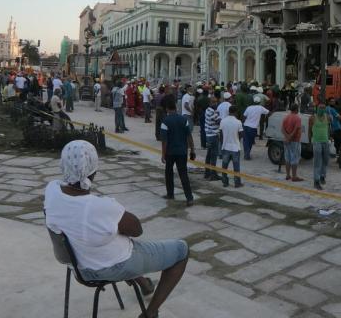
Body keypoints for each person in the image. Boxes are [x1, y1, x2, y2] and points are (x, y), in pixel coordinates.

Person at [44, 140, 189, 318]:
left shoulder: (51, 190)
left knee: (112, 241)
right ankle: (150, 313)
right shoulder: (101, 208)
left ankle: (143, 284)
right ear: (93, 170)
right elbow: (137, 230)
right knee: (181, 251)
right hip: (112, 266)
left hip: (78, 266)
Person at [160, 98, 195, 206]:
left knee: (169, 173)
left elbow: (164, 141)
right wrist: (192, 150)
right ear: (175, 107)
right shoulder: (183, 120)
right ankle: (189, 198)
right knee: (183, 174)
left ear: (167, 109)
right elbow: (189, 136)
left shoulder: (165, 121)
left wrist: (163, 154)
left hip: (170, 152)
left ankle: (170, 194)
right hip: (182, 152)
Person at [218, 103, 243, 188]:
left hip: (225, 147)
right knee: (236, 167)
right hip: (235, 148)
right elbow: (240, 134)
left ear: (229, 112)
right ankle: (237, 183)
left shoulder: (223, 121)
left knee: (224, 166)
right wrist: (236, 141)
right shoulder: (238, 122)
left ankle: (225, 182)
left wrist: (223, 143)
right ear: (235, 112)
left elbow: (220, 135)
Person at [309, 101, 332, 190]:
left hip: (325, 141)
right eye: (320, 108)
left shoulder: (327, 117)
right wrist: (310, 140)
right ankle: (316, 181)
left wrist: (329, 137)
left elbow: (328, 129)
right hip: (317, 141)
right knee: (317, 162)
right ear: (317, 109)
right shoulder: (313, 118)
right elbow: (309, 130)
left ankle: (322, 176)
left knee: (326, 160)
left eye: (323, 108)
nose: (322, 109)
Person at [242, 96, 270, 161]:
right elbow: (269, 112)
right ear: (259, 102)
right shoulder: (260, 108)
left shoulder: (248, 108)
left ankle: (246, 153)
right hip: (253, 128)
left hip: (246, 126)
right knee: (250, 141)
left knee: (245, 141)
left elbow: (244, 117)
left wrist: (242, 125)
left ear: (253, 102)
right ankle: (247, 154)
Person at [281, 103, 304, 182]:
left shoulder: (286, 117)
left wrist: (287, 137)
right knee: (295, 158)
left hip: (286, 140)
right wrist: (290, 137)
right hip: (295, 141)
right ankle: (294, 176)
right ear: (297, 109)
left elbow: (282, 129)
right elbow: (296, 129)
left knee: (287, 158)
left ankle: (288, 175)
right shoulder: (297, 118)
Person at [202, 96, 221, 181]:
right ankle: (213, 175)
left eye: (216, 102)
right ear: (210, 103)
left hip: (209, 135)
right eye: (213, 102)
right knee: (213, 156)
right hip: (213, 135)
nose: (215, 103)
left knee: (209, 155)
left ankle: (207, 173)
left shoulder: (209, 110)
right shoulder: (211, 111)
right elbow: (218, 121)